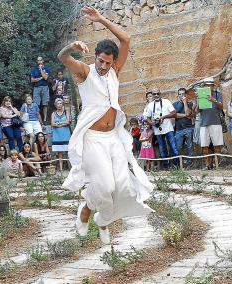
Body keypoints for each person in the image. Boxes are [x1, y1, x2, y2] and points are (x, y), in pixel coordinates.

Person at [58, 6, 153, 244]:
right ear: (95, 57)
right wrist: (72, 47)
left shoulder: (114, 71)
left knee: (122, 188)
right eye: (100, 61)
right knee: (105, 185)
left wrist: (100, 19)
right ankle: (86, 210)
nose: (103, 66)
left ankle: (101, 220)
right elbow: (62, 58)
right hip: (92, 138)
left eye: (108, 63)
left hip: (113, 137)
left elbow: (126, 39)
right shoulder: (85, 72)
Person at [144, 88, 179, 169]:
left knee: (173, 147)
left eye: (157, 94)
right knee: (162, 149)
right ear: (152, 95)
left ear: (160, 94)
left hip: (168, 128)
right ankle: (166, 167)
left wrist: (164, 117)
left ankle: (177, 166)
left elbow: (174, 113)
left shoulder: (166, 101)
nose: (156, 95)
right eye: (154, 94)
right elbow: (146, 118)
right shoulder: (150, 105)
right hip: (157, 130)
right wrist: (151, 123)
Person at [195, 77, 224, 170]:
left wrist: (213, 100)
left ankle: (216, 164)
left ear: (212, 86)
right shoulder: (200, 96)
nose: (207, 87)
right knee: (204, 145)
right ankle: (207, 165)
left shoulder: (217, 94)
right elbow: (196, 111)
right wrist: (199, 101)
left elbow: (221, 106)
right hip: (203, 123)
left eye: (209, 85)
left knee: (217, 144)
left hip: (216, 122)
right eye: (205, 85)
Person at [173, 88, 196, 168]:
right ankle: (178, 165)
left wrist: (185, 102)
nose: (181, 95)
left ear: (186, 95)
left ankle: (189, 164)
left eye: (183, 94)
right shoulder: (175, 104)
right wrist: (186, 115)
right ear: (178, 95)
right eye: (180, 94)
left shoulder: (190, 104)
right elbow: (174, 115)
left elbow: (188, 112)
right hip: (178, 130)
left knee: (190, 147)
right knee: (178, 148)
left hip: (189, 128)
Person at [51, 98, 71, 171]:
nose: (59, 105)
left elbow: (68, 122)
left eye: (60, 103)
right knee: (59, 152)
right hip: (57, 134)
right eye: (57, 104)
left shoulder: (66, 112)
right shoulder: (53, 113)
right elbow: (52, 123)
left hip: (65, 133)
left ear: (62, 104)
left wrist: (59, 123)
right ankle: (61, 169)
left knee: (68, 151)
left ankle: (70, 167)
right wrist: (63, 123)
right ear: (55, 105)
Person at [31, 56, 51, 122]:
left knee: (45, 104)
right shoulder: (34, 69)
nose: (39, 62)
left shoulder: (46, 68)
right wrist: (39, 78)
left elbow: (45, 77)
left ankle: (45, 119)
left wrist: (41, 70)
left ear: (43, 61)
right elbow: (32, 80)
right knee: (36, 104)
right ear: (37, 61)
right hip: (36, 88)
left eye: (40, 60)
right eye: (38, 60)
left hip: (45, 87)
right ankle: (38, 119)